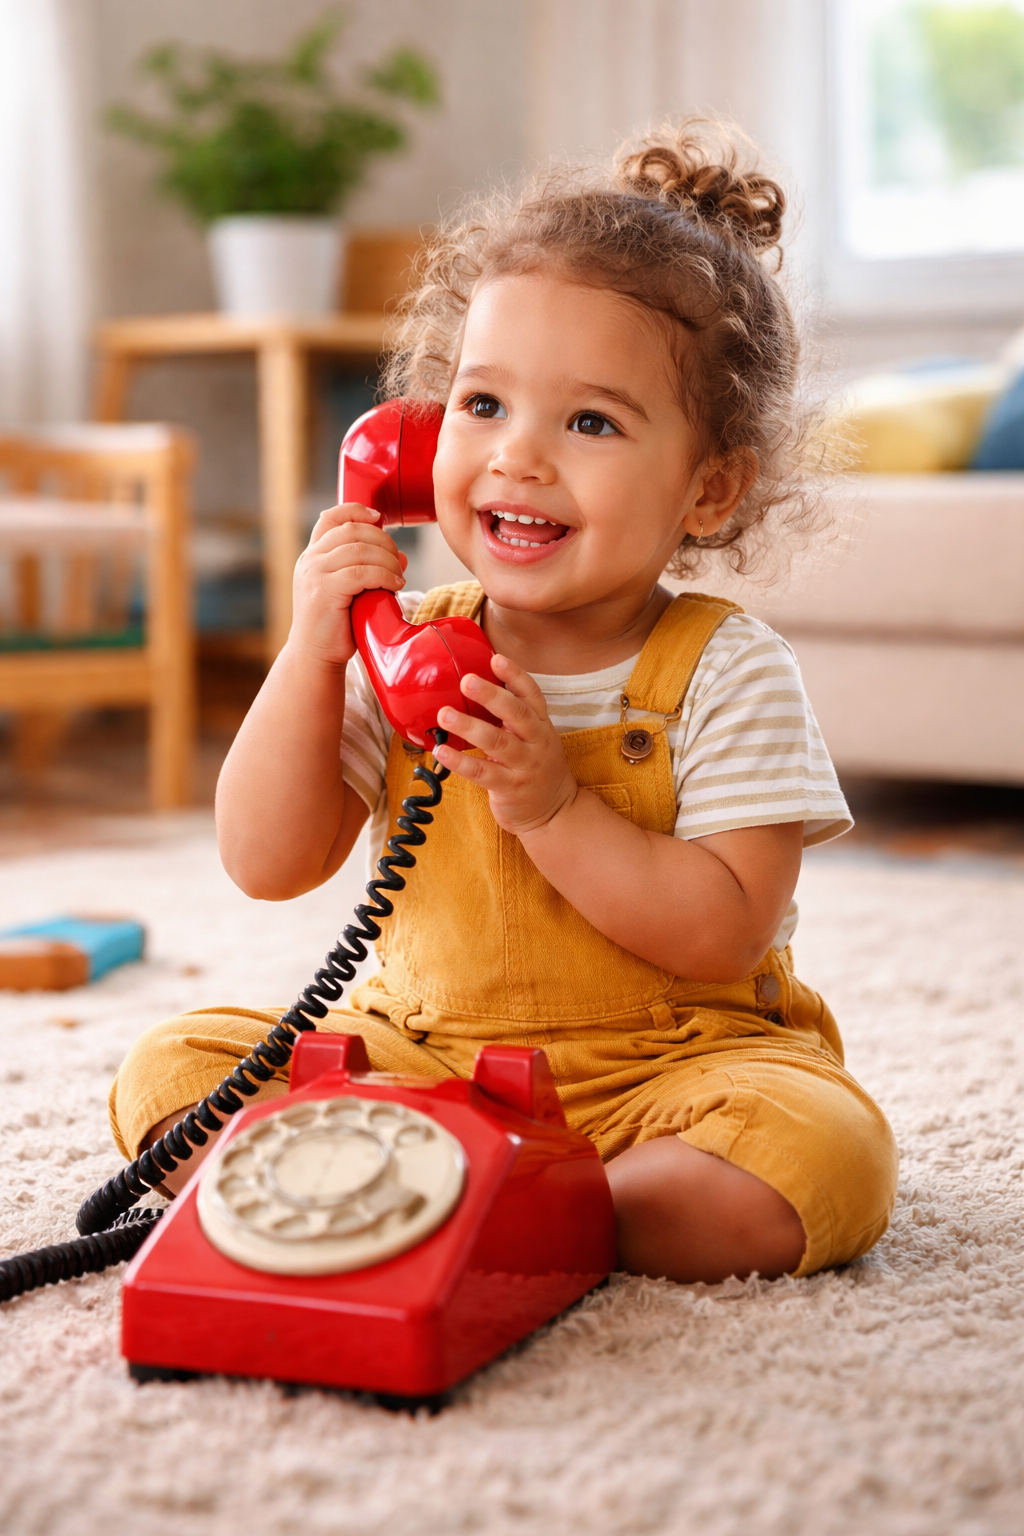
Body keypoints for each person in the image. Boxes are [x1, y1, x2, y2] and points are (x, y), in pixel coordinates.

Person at [111, 121, 897, 1284]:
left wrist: (551, 805)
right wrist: (311, 651)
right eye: (482, 406)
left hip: (665, 1072)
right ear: (416, 438)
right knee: (171, 1079)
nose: (517, 458)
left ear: (707, 486)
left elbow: (723, 927)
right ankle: (492, 1196)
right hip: (421, 1054)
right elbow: (265, 860)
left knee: (817, 1158)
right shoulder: (409, 651)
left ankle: (490, 1205)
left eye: (589, 422)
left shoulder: (727, 669)